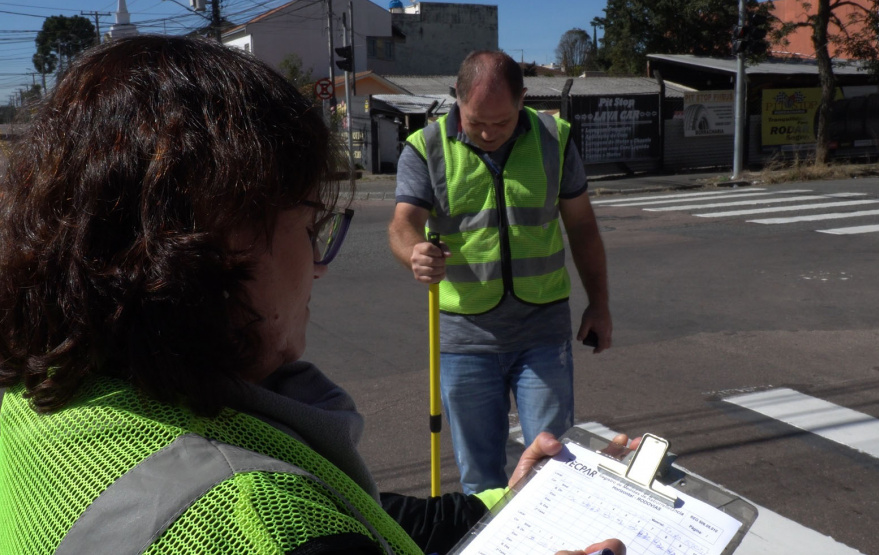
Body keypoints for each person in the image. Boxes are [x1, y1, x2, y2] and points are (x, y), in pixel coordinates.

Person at [0, 36, 627, 555]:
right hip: (468, 332)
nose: (320, 267)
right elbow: (327, 522)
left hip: (541, 325)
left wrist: (498, 502)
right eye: (310, 228)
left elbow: (367, 513)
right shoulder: (261, 516)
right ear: (215, 248)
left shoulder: (32, 399)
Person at [388, 50, 612, 494]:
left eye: (502, 122)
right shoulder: (426, 147)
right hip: (463, 338)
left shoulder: (555, 139)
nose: (489, 133)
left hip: (542, 332)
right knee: (480, 477)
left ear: (524, 100)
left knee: (553, 468)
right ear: (457, 98)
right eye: (476, 122)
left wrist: (600, 305)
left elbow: (583, 227)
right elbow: (402, 224)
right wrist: (414, 251)